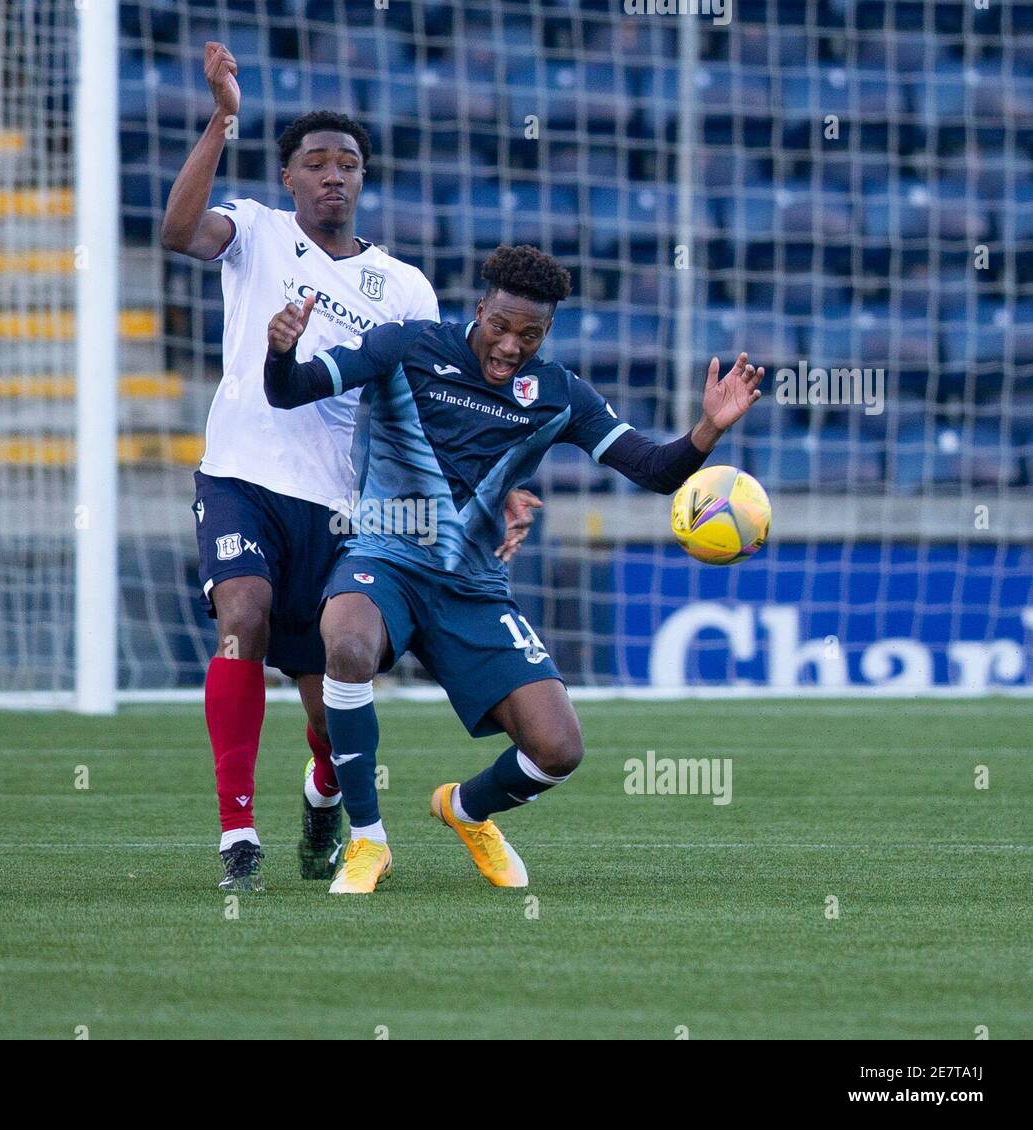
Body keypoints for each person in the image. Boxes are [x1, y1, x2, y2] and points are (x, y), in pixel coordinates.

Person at [263, 244, 764, 893]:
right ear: (479, 310)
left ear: (547, 334)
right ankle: (367, 840)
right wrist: (281, 352)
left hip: (474, 589)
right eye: (500, 326)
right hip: (384, 559)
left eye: (529, 335)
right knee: (349, 643)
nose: (509, 345)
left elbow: (652, 468)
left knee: (559, 749)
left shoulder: (557, 394)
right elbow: (290, 391)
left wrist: (705, 430)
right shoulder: (404, 347)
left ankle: (465, 810)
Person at [161, 43, 540, 890]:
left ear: (364, 179)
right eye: (317, 163)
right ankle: (236, 835)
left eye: (350, 164)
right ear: (290, 178)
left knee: (335, 692)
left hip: (343, 506)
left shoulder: (402, 286)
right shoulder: (255, 233)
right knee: (242, 615)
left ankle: (324, 795)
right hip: (241, 477)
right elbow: (178, 231)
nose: (335, 176)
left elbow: (439, 408)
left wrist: (498, 487)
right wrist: (224, 116)